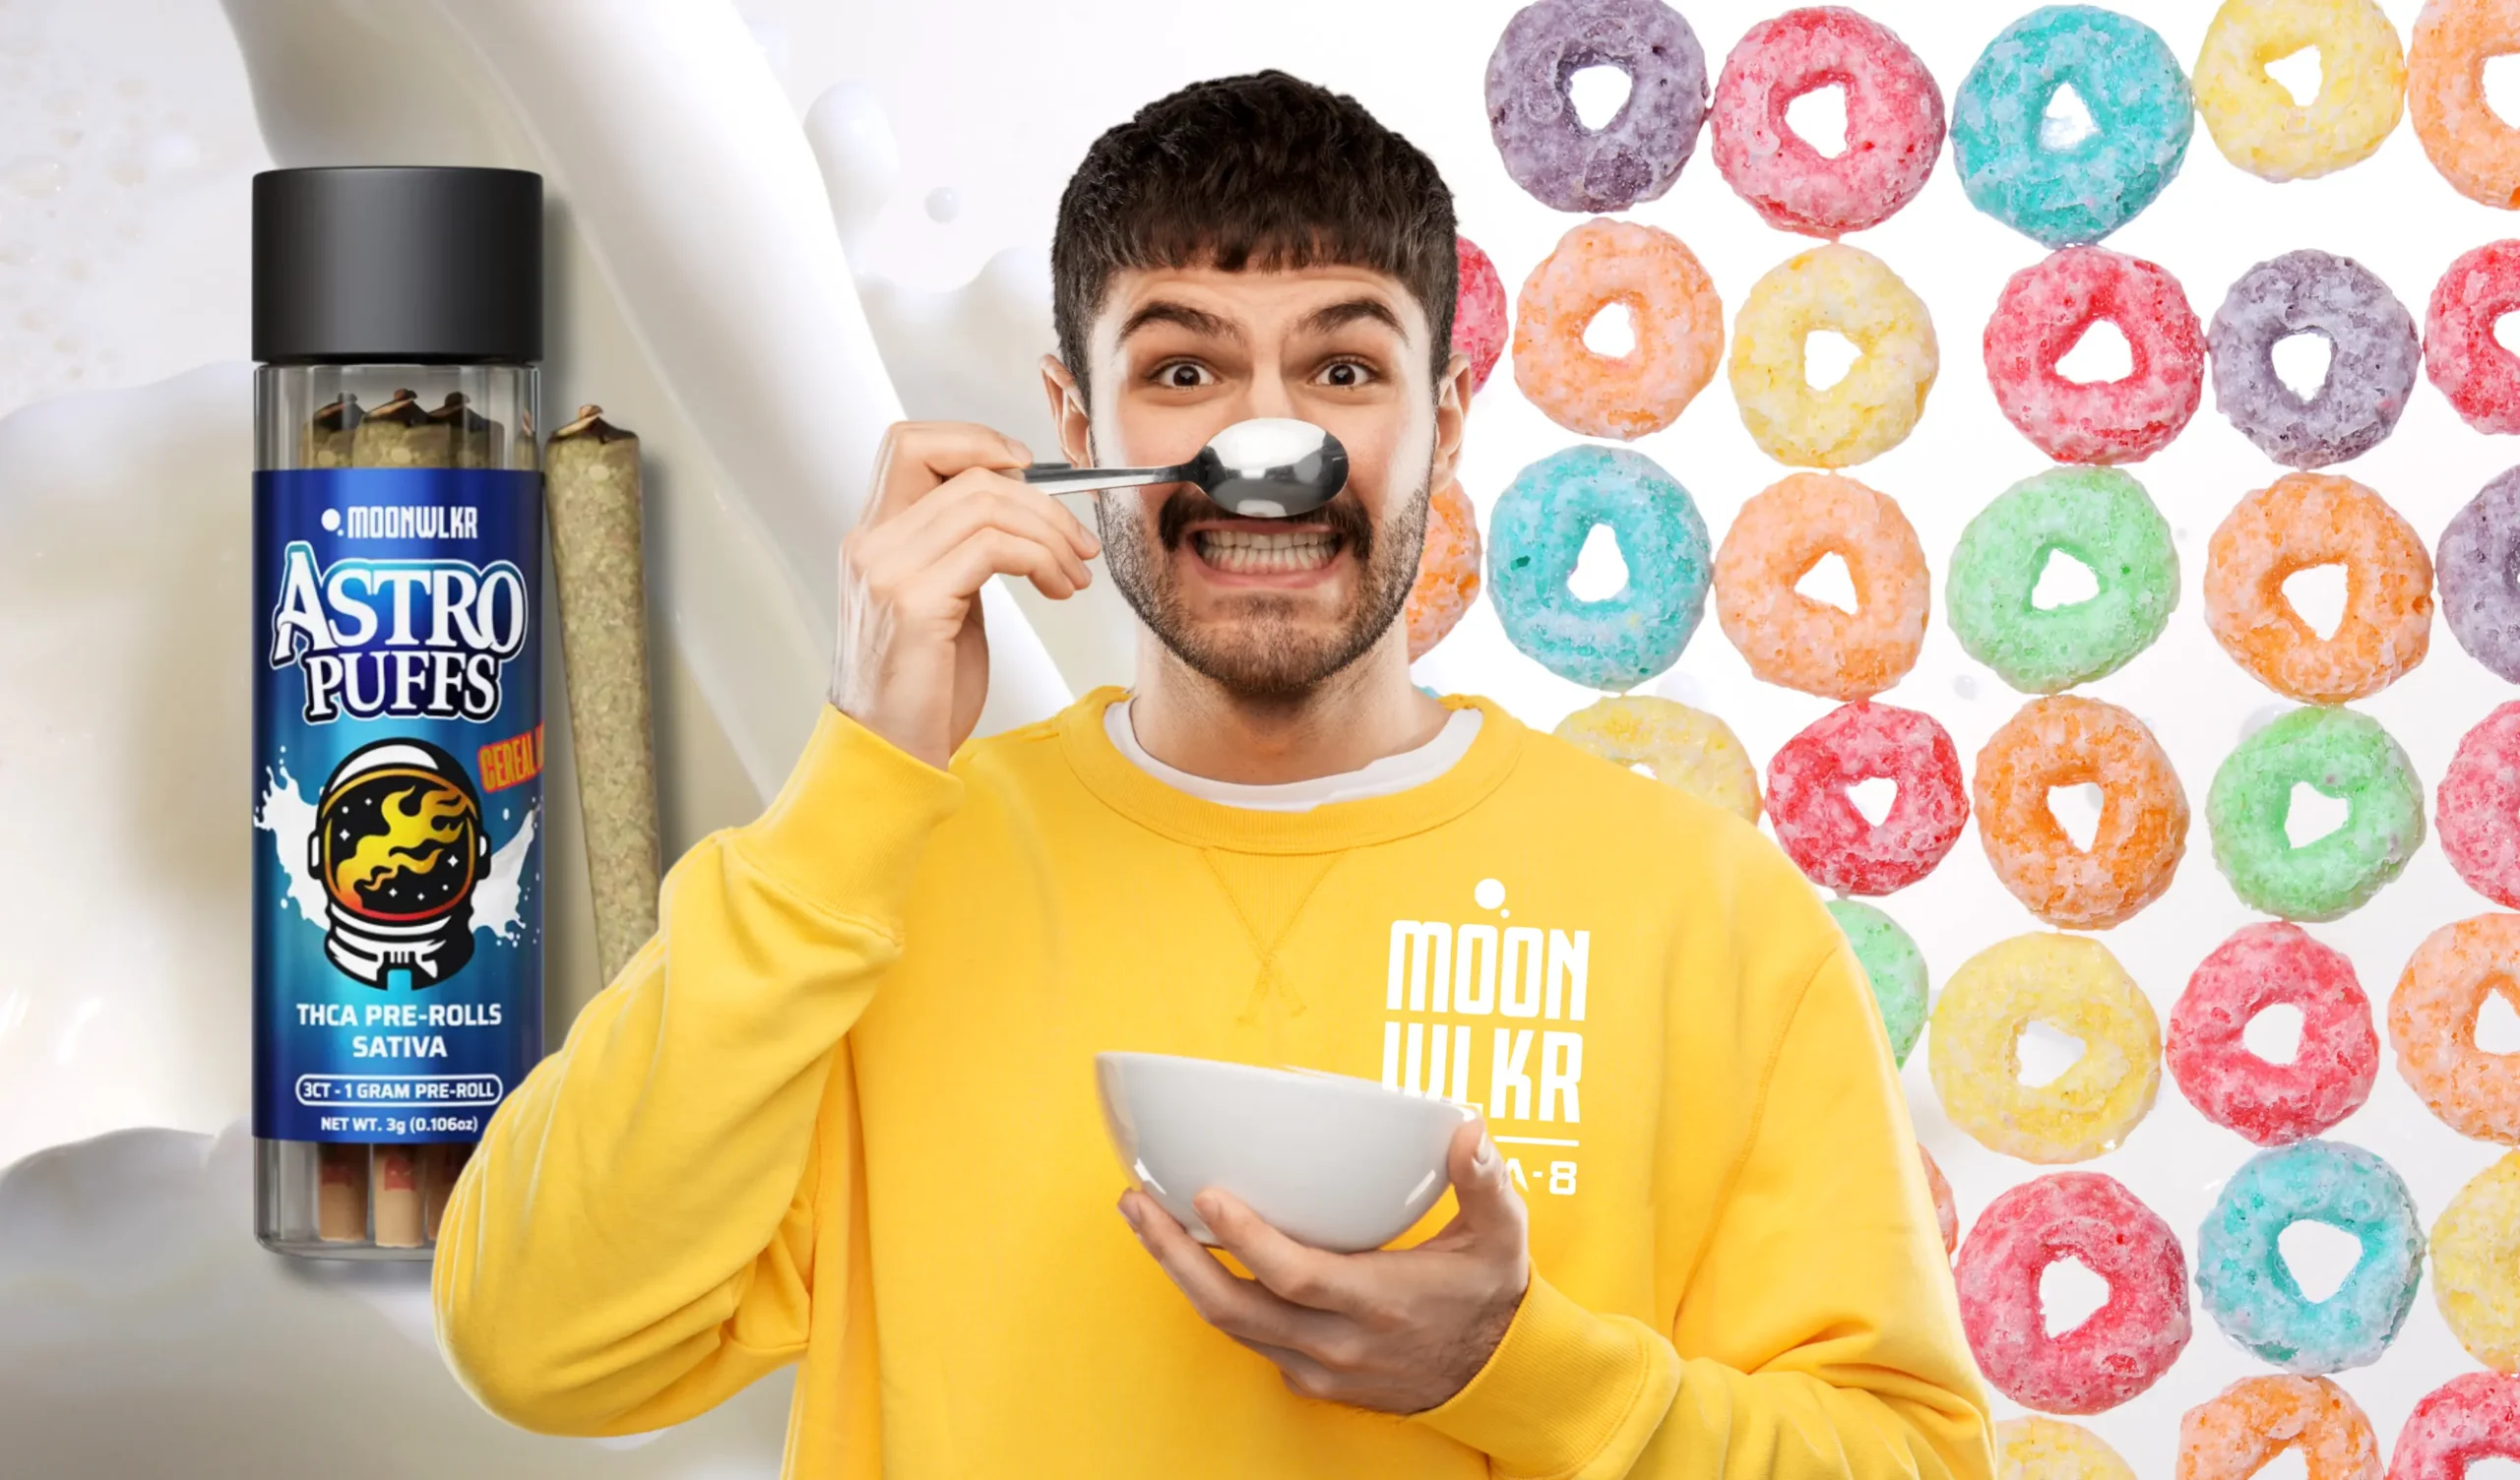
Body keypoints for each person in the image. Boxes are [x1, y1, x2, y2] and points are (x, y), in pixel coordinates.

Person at [435, 70, 1994, 1480]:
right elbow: (539, 1341)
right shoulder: (879, 878)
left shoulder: (1702, 915)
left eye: (1342, 372)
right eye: (1182, 373)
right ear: (1069, 418)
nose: (1269, 438)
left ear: (1443, 422)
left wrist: (1526, 1377)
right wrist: (863, 764)